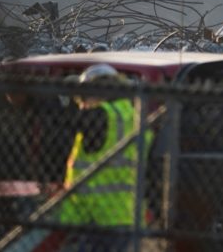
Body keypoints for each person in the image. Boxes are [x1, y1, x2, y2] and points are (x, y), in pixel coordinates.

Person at [58, 64, 154, 244]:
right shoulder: (134, 116)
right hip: (128, 215)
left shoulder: (101, 116)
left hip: (96, 217)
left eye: (84, 98)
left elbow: (61, 130)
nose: (82, 105)